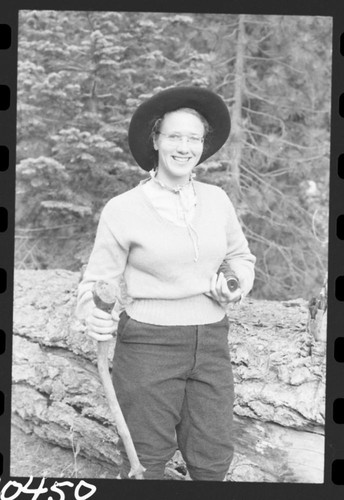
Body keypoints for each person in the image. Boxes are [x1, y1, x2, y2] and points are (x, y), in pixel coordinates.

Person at [76, 86, 256, 481]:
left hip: (211, 341)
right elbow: (95, 283)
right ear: (155, 140)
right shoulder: (122, 210)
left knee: (212, 461)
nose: (184, 146)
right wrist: (94, 315)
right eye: (174, 135)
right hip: (148, 346)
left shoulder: (217, 199)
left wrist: (235, 284)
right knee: (146, 463)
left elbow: (240, 259)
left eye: (194, 138)